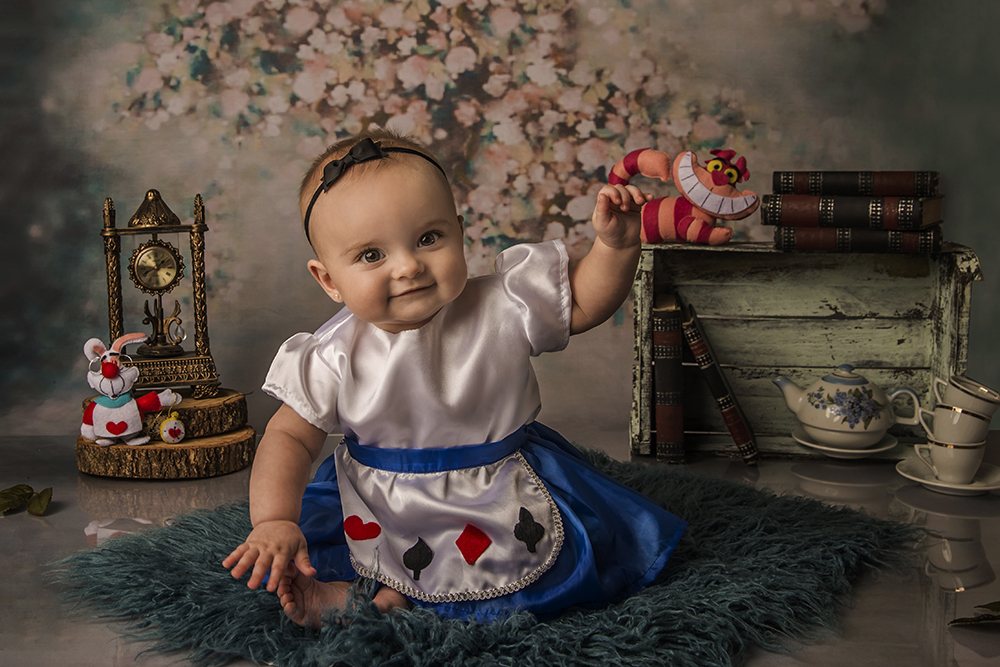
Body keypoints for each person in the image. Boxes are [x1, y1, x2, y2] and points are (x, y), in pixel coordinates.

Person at [223, 128, 687, 626]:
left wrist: (616, 246)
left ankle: (396, 598)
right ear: (329, 280)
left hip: (500, 484)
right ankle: (359, 592)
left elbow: (584, 304)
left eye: (428, 238)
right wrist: (274, 519)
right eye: (371, 255)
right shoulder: (331, 353)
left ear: (459, 232)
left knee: (554, 555)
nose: (408, 266)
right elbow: (290, 437)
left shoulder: (503, 304)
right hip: (382, 501)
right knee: (316, 541)